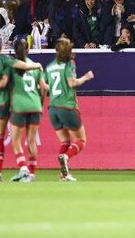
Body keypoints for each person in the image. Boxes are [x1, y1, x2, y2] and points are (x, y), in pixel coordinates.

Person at [0, 35, 43, 182]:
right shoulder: (5, 60)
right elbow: (10, 77)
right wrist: (37, 65)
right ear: (1, 46)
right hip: (1, 103)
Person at [45, 38, 95, 181]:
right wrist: (86, 77)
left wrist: (56, 90)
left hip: (52, 109)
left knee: (65, 142)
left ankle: (63, 174)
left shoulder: (50, 66)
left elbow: (42, 85)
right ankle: (66, 157)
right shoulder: (69, 64)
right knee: (81, 140)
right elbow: (72, 82)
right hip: (67, 107)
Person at [9, 39, 47, 183]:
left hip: (19, 106)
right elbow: (43, 88)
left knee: (16, 140)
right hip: (35, 105)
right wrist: (41, 105)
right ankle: (31, 174)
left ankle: (23, 167)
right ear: (28, 50)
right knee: (31, 141)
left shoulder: (11, 65)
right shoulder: (36, 67)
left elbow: (9, 88)